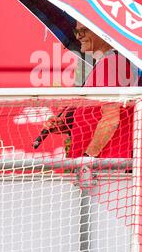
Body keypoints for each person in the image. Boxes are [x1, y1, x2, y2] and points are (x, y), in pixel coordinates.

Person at [43, 22, 136, 159]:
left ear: (103, 32)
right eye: (77, 31)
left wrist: (88, 157)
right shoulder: (108, 62)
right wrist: (65, 125)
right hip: (102, 166)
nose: (79, 36)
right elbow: (95, 116)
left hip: (104, 167)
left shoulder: (110, 63)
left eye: (84, 30)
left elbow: (111, 119)